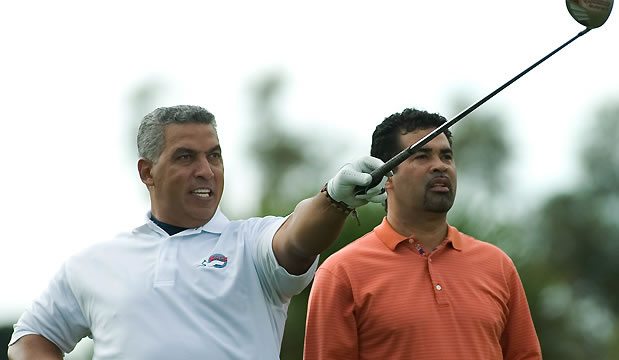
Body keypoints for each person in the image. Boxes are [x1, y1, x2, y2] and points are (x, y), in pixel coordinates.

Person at [7, 105, 388, 360]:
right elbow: (32, 336)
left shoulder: (250, 244)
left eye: (215, 155)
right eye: (185, 156)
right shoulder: (94, 264)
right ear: (147, 172)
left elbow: (295, 237)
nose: (206, 170)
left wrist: (334, 199)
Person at [303, 108, 542, 360]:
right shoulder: (342, 273)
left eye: (446, 156)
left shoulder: (497, 266)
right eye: (422, 156)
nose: (440, 166)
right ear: (386, 176)